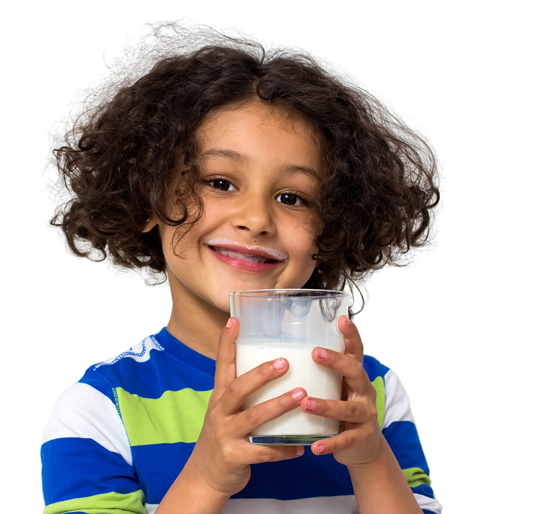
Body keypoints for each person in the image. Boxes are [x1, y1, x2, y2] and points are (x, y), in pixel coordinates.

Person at [41, 24, 442, 514]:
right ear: (148, 196)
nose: (256, 219)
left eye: (291, 197)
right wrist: (206, 477)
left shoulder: (370, 395)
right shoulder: (103, 409)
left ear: (332, 227)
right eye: (220, 182)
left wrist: (371, 458)